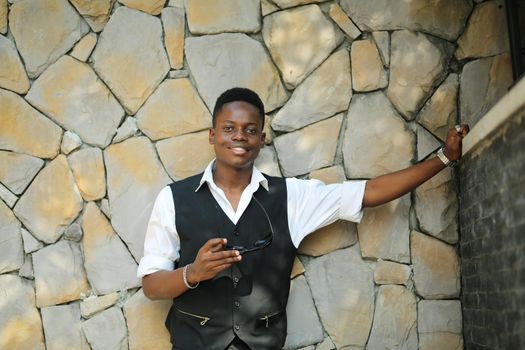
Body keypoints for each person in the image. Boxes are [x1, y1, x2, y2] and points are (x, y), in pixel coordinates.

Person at [137, 87, 469, 350]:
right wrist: (192, 273)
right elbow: (151, 286)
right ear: (212, 135)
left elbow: (367, 193)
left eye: (250, 129)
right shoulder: (174, 199)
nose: (239, 136)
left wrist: (444, 158)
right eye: (229, 128)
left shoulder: (291, 197)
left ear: (261, 140)